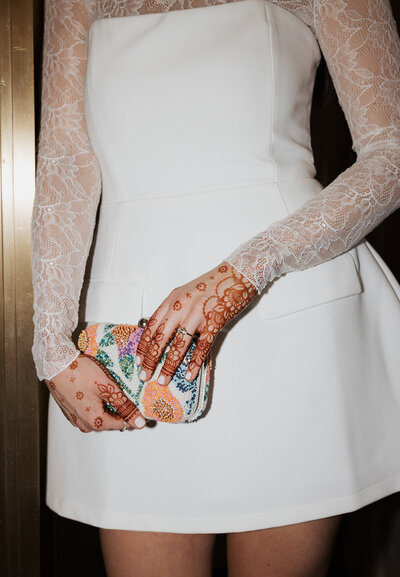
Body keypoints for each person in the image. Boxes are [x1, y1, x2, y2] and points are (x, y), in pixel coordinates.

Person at [32, 0, 400, 575]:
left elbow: (391, 154)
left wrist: (246, 269)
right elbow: (65, 160)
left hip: (288, 306)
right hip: (135, 334)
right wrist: (49, 345)